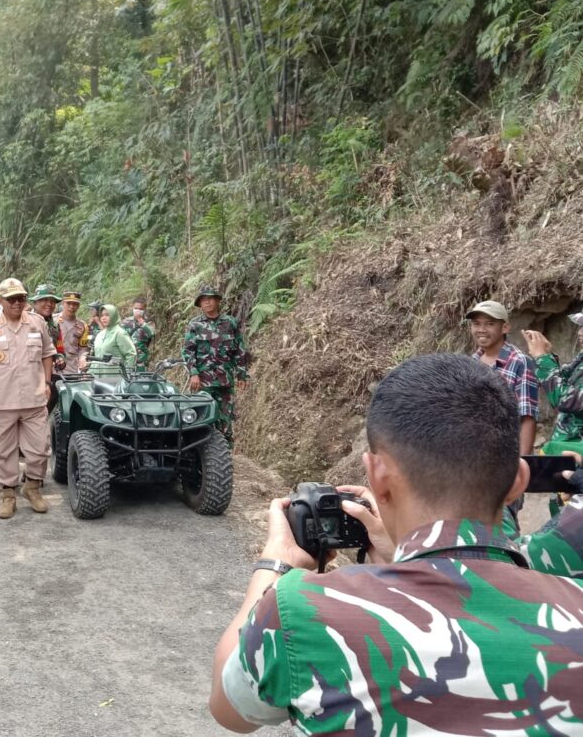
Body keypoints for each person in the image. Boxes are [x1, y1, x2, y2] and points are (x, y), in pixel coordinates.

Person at [209, 353, 583, 734]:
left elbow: (230, 708)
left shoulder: (299, 611)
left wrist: (274, 565)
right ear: (518, 481)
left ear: (377, 475)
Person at [0, 278, 57, 519]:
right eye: (11, 299)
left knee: (40, 449)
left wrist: (47, 382)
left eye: (21, 298)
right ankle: (8, 494)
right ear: (1, 301)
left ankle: (32, 488)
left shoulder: (37, 324)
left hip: (34, 398)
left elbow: (48, 353)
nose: (17, 303)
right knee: (5, 451)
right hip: (2, 400)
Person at [467, 299, 538, 455]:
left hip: (505, 454)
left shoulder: (519, 362)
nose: (481, 329)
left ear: (505, 327)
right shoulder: (471, 362)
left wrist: (521, 462)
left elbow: (527, 417)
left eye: (490, 324)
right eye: (476, 324)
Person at [182, 283, 250, 445]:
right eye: (203, 300)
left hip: (225, 381)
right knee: (201, 417)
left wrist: (241, 374)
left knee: (225, 418)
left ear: (217, 301)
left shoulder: (230, 323)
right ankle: (200, 453)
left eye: (210, 299)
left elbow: (239, 350)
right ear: (200, 304)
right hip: (202, 382)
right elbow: (188, 351)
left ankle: (224, 454)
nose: (207, 302)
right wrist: (194, 373)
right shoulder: (195, 325)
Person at [523, 313, 583, 458]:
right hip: (568, 446)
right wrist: (548, 354)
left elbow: (566, 399)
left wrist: (541, 357)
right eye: (581, 327)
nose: (579, 332)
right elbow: (564, 380)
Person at [89, 304, 136, 374]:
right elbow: (97, 357)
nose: (103, 318)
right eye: (102, 316)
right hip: (97, 377)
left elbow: (131, 354)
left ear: (113, 315)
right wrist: (90, 372)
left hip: (114, 378)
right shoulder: (100, 334)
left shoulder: (119, 333)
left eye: (107, 315)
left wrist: (127, 374)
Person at [57, 291, 90, 372]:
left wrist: (83, 357)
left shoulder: (82, 326)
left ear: (78, 306)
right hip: (53, 366)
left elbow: (83, 348)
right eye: (68, 303)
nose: (71, 307)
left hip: (71, 369)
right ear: (63, 303)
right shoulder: (53, 321)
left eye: (75, 304)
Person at [121, 297, 155, 370]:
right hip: (127, 360)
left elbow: (152, 334)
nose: (138, 311)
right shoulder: (126, 322)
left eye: (140, 309)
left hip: (141, 360)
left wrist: (140, 320)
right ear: (132, 308)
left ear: (144, 310)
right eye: (136, 308)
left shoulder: (149, 322)